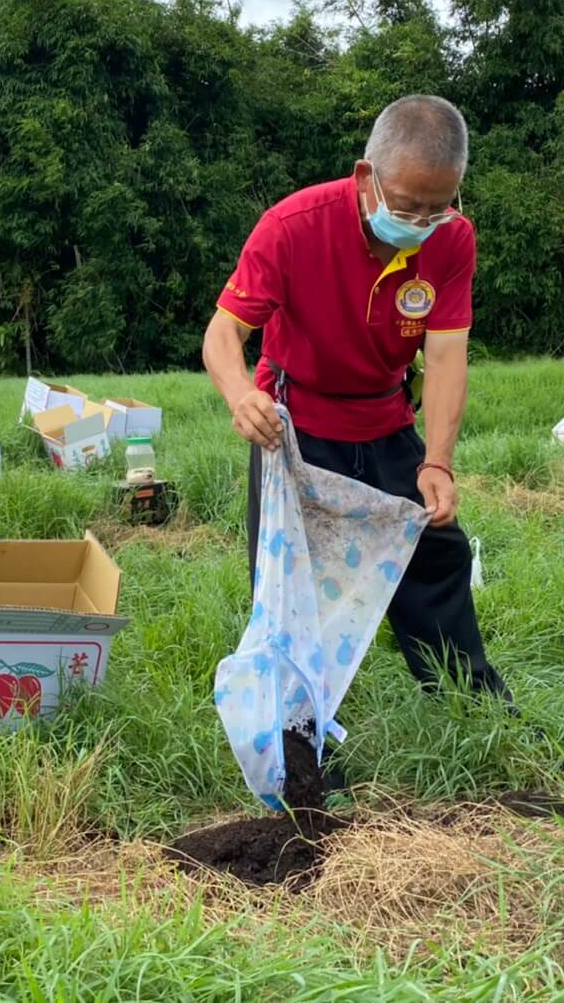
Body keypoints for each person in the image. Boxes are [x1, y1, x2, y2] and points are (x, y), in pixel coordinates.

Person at [202, 94, 510, 704]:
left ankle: (473, 706)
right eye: (407, 205)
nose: (420, 222)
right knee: (294, 584)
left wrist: (438, 462)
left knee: (434, 554)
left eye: (437, 207)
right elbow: (223, 333)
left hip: (385, 415)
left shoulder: (452, 241)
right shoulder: (292, 226)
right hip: (296, 425)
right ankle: (299, 744)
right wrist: (241, 396)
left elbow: (446, 356)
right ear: (366, 176)